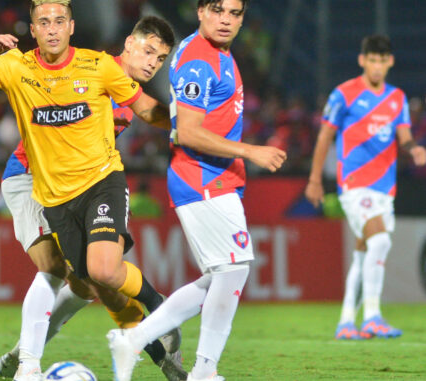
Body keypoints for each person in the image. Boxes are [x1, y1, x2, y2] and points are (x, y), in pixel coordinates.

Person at [0, 2, 179, 380]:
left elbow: (147, 111)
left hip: (79, 186)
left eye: (161, 58)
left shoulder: (122, 88)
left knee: (87, 283)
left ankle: (18, 356)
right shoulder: (93, 68)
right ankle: (29, 363)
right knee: (56, 268)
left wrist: (191, 125)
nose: (154, 63)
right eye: (148, 52)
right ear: (128, 44)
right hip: (29, 176)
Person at [107, 1, 287, 381]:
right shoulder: (198, 61)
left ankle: (135, 339)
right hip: (201, 177)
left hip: (217, 178)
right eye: (218, 10)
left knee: (220, 275)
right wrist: (250, 150)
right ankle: (204, 370)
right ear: (201, 10)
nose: (226, 19)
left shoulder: (216, 52)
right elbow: (187, 131)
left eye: (235, 13)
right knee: (233, 269)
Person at [305, 34, 426, 340]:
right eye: (371, 59)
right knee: (381, 242)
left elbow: (404, 136)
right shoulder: (343, 94)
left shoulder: (396, 98)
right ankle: (372, 316)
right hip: (355, 184)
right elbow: (324, 137)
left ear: (390, 62)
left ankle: (346, 322)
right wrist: (315, 179)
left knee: (363, 252)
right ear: (362, 60)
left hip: (385, 188)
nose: (376, 66)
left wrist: (414, 149)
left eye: (382, 60)